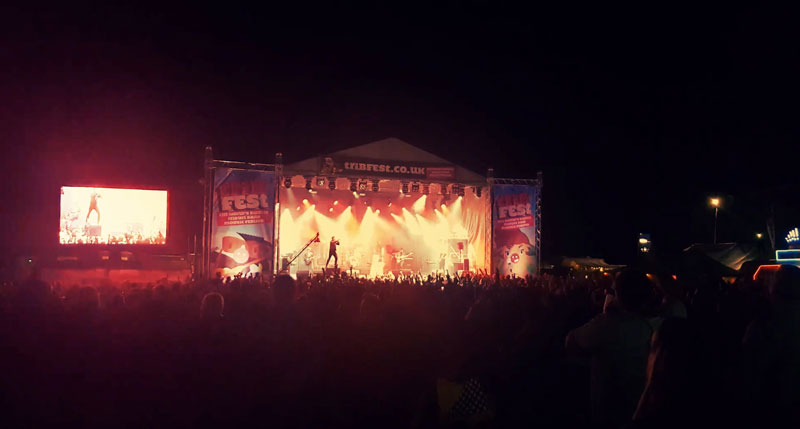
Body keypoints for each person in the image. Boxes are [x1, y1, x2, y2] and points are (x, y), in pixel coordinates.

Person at [565, 269, 662, 429]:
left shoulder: (609, 324)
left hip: (611, 412)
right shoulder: (660, 323)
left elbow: (571, 342)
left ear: (621, 295)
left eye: (614, 291)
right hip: (645, 410)